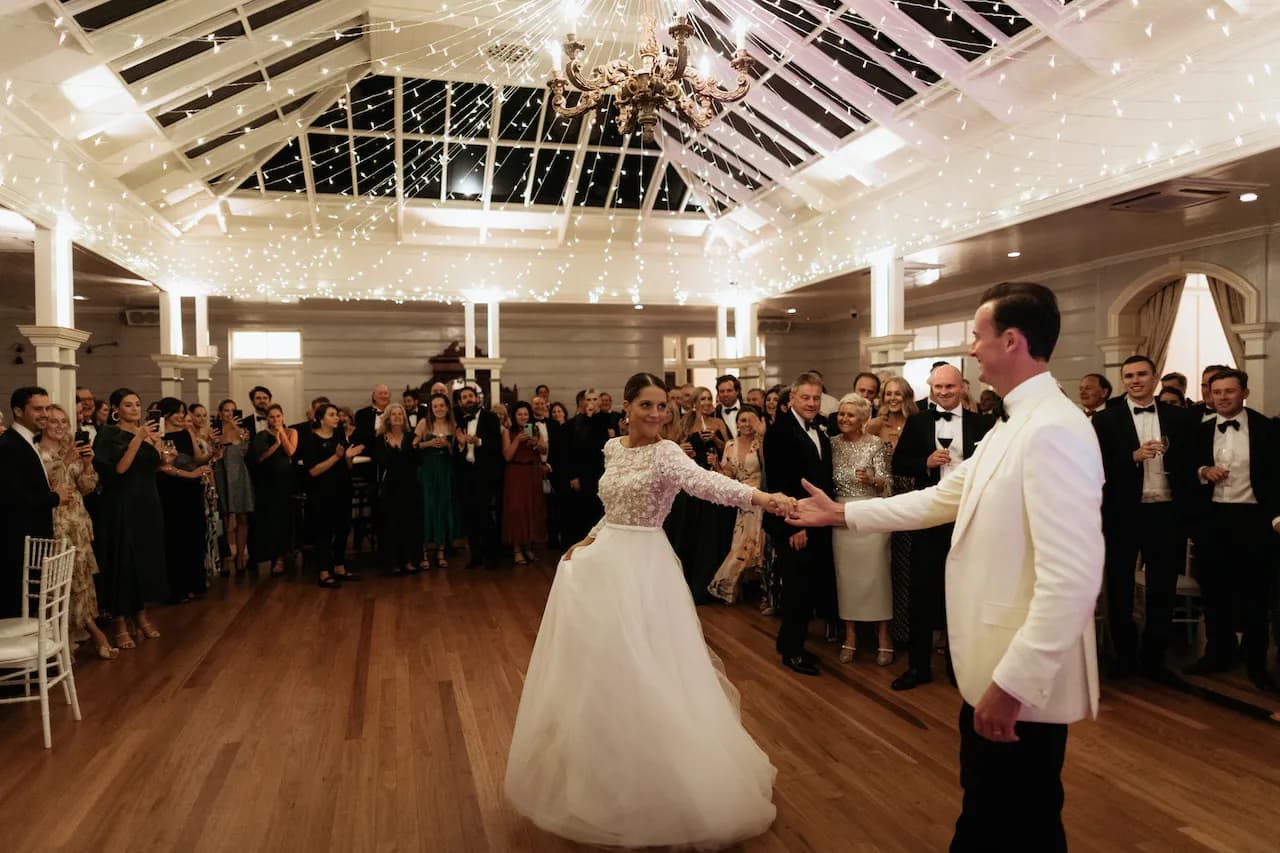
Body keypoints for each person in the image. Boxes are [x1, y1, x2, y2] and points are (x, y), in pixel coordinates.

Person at [790, 281, 1104, 852]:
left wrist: (1014, 683)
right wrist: (843, 513)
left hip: (1018, 676)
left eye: (978, 337)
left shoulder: (1054, 428)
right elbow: (942, 497)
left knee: (1019, 821)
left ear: (1012, 341)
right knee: (991, 811)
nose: (972, 349)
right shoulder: (1014, 422)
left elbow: (1074, 577)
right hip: (989, 661)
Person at [505, 372, 793, 849]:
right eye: (647, 405)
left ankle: (662, 774)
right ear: (628, 406)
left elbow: (710, 485)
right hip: (605, 562)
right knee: (607, 669)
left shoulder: (668, 453)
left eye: (663, 407)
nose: (657, 414)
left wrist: (765, 498)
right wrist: (588, 539)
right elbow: (612, 508)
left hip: (645, 566)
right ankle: (606, 765)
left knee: (651, 665)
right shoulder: (612, 449)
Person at [889, 364, 995, 691]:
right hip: (930, 516)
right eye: (938, 387)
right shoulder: (918, 422)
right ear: (931, 389)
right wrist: (925, 462)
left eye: (950, 386)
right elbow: (898, 463)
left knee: (964, 593)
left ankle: (958, 666)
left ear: (962, 387)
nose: (944, 392)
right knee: (922, 592)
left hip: (968, 518)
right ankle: (918, 666)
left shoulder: (983, 423)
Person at [1092, 355, 1196, 681]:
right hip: (1123, 513)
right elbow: (1095, 468)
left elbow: (1189, 463)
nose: (1135, 380)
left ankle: (1155, 659)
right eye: (1129, 376)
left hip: (1165, 510)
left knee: (1162, 587)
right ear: (1123, 380)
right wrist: (1133, 457)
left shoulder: (1178, 417)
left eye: (1141, 374)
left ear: (1155, 377)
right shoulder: (1105, 420)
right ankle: (1123, 658)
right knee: (1119, 586)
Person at [1185, 369, 1280, 690]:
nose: (1222, 397)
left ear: (1244, 393)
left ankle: (1256, 664)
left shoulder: (1267, 429)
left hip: (1254, 520)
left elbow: (1277, 477)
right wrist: (1203, 471)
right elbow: (1184, 468)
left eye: (1229, 391)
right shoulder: (1199, 431)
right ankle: (1217, 654)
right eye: (1217, 392)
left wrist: (1276, 517)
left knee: (1256, 595)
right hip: (1213, 519)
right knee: (1214, 592)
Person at [762, 372, 836, 676]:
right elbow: (780, 484)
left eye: (816, 398)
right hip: (794, 523)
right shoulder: (779, 432)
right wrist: (795, 525)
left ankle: (791, 643)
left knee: (808, 587)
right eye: (805, 397)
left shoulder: (821, 427)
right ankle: (791, 652)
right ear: (791, 398)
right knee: (796, 590)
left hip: (817, 520)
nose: (811, 403)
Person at [37, 403, 115, 658]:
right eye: (54, 421)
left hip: (78, 520)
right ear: (44, 424)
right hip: (58, 522)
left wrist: (88, 464)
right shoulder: (38, 453)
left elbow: (87, 487)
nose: (60, 426)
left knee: (83, 579)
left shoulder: (70, 448)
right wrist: (66, 461)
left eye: (64, 421)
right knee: (64, 581)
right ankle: (88, 634)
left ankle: (77, 633)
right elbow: (51, 487)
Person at [94, 388, 168, 648]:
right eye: (128, 405)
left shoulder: (144, 432)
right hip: (122, 502)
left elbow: (157, 465)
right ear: (116, 409)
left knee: (144, 559)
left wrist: (157, 445)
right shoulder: (109, 434)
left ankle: (141, 614)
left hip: (148, 501)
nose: (135, 409)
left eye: (137, 404)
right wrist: (139, 438)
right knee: (124, 561)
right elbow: (120, 469)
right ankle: (120, 623)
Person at [829, 394, 894, 666]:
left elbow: (888, 484)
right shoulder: (831, 444)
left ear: (864, 419)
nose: (844, 419)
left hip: (871, 516)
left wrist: (873, 479)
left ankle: (884, 637)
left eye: (850, 415)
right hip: (841, 517)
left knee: (878, 577)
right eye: (841, 414)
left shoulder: (876, 444)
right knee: (846, 579)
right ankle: (850, 635)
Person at [0, 387, 73, 618]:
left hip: (31, 537)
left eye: (47, 408)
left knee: (30, 605)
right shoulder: (9, 446)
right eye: (38, 409)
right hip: (17, 541)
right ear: (18, 411)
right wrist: (54, 498)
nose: (45, 414)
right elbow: (11, 497)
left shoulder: (25, 441)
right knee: (17, 607)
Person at [865, 376, 919, 648]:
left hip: (912, 493)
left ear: (907, 396)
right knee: (885, 562)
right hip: (884, 494)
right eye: (889, 393)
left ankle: (909, 629)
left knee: (908, 561)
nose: (893, 398)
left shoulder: (918, 423)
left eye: (898, 393)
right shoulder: (875, 425)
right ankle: (884, 629)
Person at [707, 404, 766, 604]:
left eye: (751, 420)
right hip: (740, 500)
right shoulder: (730, 445)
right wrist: (716, 465)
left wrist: (762, 438)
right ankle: (730, 588)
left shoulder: (760, 443)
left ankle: (761, 592)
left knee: (755, 544)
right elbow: (728, 474)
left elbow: (767, 467)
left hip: (760, 498)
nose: (747, 424)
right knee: (742, 544)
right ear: (737, 423)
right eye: (743, 420)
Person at [300, 403, 362, 587]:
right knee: (324, 532)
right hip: (322, 493)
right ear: (321, 419)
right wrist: (336, 457)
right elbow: (313, 471)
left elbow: (347, 466)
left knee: (343, 529)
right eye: (332, 415)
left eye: (337, 414)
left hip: (342, 490)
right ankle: (324, 572)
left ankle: (339, 567)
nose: (337, 418)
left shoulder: (339, 436)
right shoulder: (311, 440)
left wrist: (348, 457)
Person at [155, 398, 211, 602]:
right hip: (171, 489)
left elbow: (197, 458)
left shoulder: (187, 433)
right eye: (177, 412)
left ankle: (194, 583)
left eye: (183, 412)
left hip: (191, 489)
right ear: (166, 414)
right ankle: (177, 588)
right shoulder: (158, 435)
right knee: (175, 537)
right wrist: (190, 474)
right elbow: (162, 467)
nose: (181, 416)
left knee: (194, 534)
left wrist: (213, 451)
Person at [456, 385, 504, 569]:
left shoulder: (490, 417)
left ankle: (492, 557)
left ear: (477, 398)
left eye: (470, 396)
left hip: (485, 474)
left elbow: (497, 445)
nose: (468, 399)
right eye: (464, 397)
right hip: (467, 474)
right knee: (470, 516)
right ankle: (475, 557)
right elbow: (458, 450)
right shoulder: (461, 420)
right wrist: (461, 445)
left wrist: (479, 441)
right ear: (460, 402)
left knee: (485, 516)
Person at [414, 393, 462, 569]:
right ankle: (424, 553)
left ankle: (441, 551)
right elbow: (413, 445)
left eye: (442, 405)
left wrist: (448, 445)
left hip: (445, 471)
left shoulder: (453, 425)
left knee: (444, 507)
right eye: (435, 406)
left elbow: (457, 451)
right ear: (431, 409)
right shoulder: (423, 423)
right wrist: (428, 444)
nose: (439, 409)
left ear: (447, 407)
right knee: (428, 508)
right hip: (428, 471)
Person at [248, 403, 297, 575]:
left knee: (283, 518)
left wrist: (281, 433)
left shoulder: (291, 432)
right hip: (267, 482)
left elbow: (290, 452)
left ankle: (282, 557)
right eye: (271, 417)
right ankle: (268, 555)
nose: (275, 419)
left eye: (278, 416)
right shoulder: (262, 436)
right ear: (267, 419)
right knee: (269, 519)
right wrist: (276, 444)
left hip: (285, 482)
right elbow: (260, 458)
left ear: (282, 417)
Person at [374, 403, 422, 575]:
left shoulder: (411, 437)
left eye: (400, 414)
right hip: (391, 487)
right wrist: (399, 453)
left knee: (409, 524)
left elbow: (417, 461)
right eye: (393, 414)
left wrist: (413, 448)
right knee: (391, 525)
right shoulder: (381, 439)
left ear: (404, 418)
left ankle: (409, 560)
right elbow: (383, 461)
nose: (397, 417)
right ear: (388, 418)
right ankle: (393, 561)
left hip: (409, 486)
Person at [502, 401, 547, 565]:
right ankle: (516, 549)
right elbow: (507, 456)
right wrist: (517, 440)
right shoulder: (508, 432)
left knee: (531, 508)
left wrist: (536, 443)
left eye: (526, 414)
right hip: (516, 473)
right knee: (516, 510)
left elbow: (544, 450)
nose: (523, 417)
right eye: (520, 414)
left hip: (532, 472)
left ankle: (528, 546)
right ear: (514, 416)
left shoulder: (535, 430)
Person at [215, 399, 255, 575]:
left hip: (240, 475)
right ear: (220, 413)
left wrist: (237, 430)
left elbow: (247, 451)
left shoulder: (243, 431)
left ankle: (240, 556)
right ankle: (225, 558)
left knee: (242, 516)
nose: (230, 414)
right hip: (221, 474)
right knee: (224, 516)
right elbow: (214, 451)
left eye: (233, 410)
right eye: (226, 410)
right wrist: (226, 430)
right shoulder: (215, 431)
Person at [187, 403, 222, 579]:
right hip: (195, 481)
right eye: (198, 415)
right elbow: (198, 461)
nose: (201, 419)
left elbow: (210, 464)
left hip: (208, 481)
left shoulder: (203, 436)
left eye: (204, 415)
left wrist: (214, 488)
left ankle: (208, 567)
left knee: (210, 524)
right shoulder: (189, 437)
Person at [714, 374, 742, 439]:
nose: (725, 394)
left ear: (737, 391)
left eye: (729, 390)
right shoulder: (714, 414)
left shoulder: (753, 410)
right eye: (722, 391)